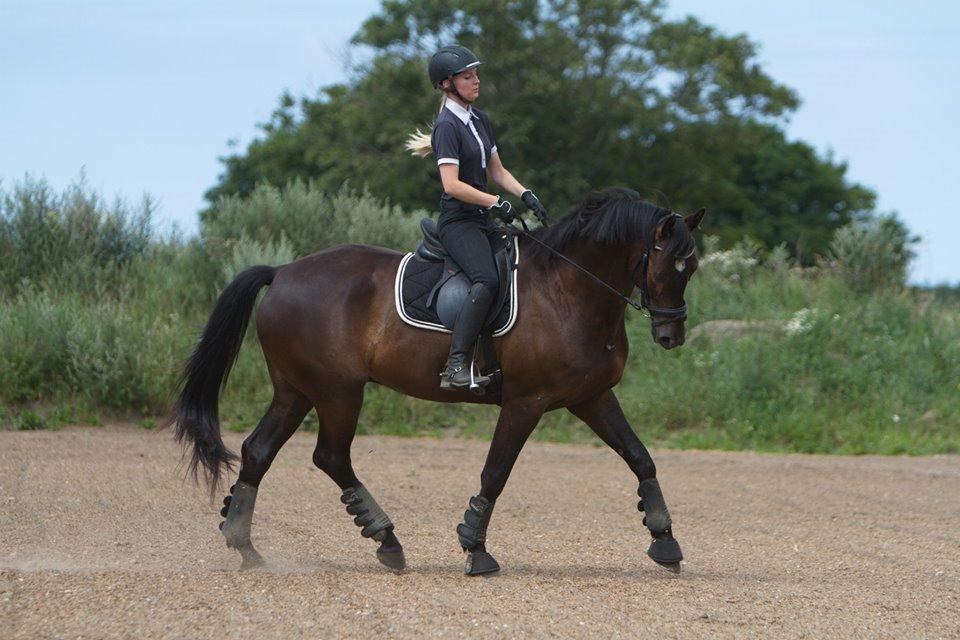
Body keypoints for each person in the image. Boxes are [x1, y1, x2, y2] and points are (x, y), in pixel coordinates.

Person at [406, 45, 550, 391]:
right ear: (446, 84)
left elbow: (497, 171)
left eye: (476, 75)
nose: (476, 81)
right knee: (486, 279)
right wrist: (494, 202)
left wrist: (526, 194)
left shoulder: (479, 120)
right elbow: (451, 185)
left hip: (482, 218)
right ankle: (455, 365)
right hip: (458, 222)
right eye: (467, 76)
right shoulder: (446, 127)